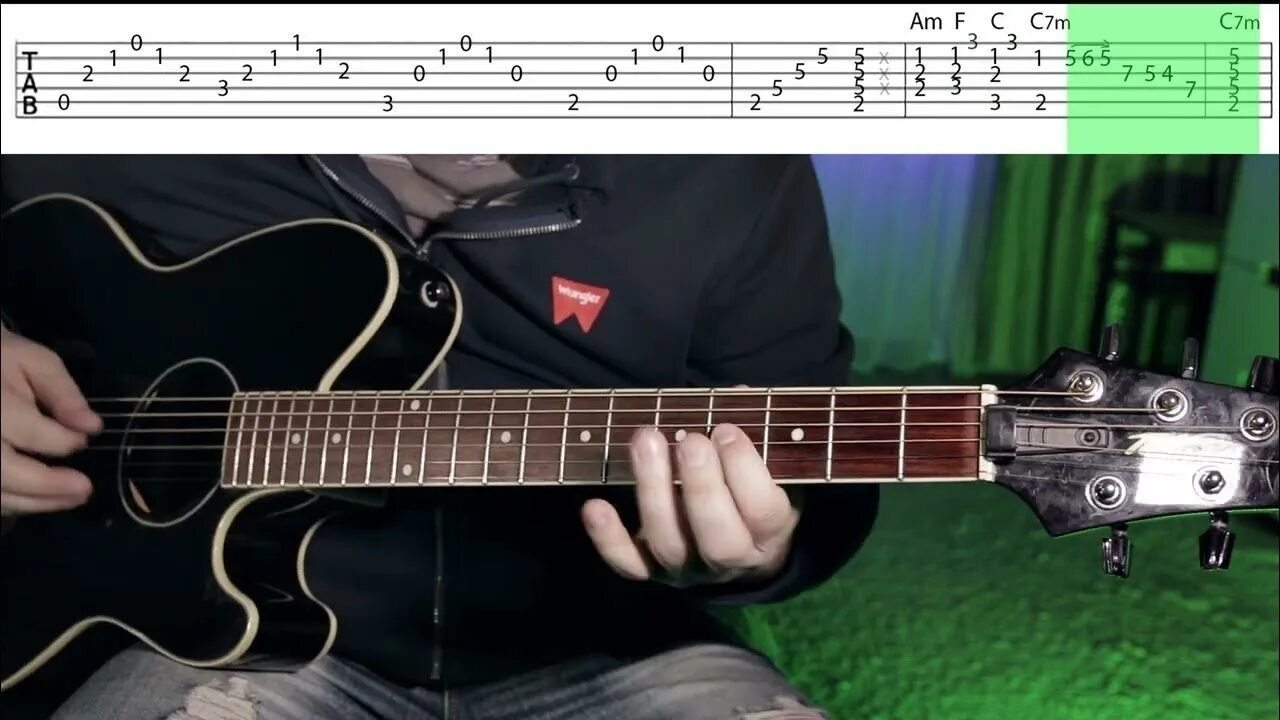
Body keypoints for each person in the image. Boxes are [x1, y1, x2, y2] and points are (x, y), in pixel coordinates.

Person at [0, 155, 879, 720]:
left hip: (623, 647)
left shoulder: (731, 165)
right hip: (202, 642)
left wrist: (770, 546)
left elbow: (818, 437)